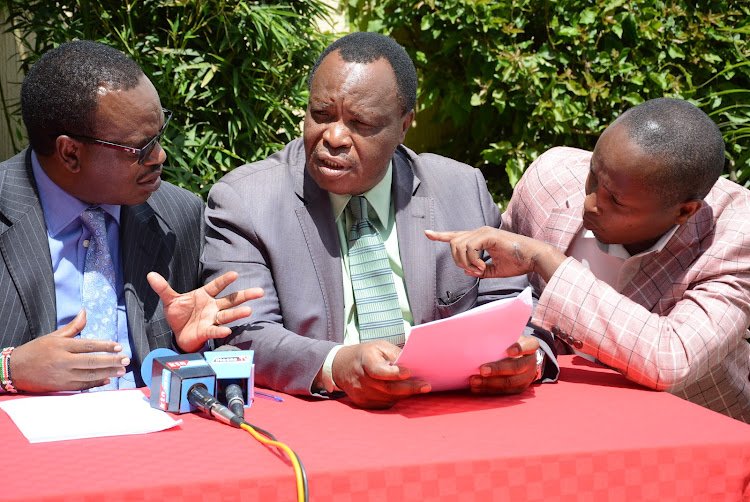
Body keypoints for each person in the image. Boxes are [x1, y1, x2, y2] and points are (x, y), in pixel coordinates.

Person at [202, 32, 557, 409]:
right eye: (320, 115)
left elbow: (512, 306)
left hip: (449, 413)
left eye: (361, 123)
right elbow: (243, 332)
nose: (334, 136)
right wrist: (335, 365)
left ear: (405, 126)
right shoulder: (245, 201)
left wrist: (525, 358)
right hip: (325, 416)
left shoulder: (459, 188)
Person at [427, 98, 750, 421]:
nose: (590, 203)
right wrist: (532, 358)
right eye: (593, 175)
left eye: (616, 201)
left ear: (684, 212)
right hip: (562, 422)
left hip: (695, 431)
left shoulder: (735, 234)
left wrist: (548, 261)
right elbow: (522, 308)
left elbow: (670, 358)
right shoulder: (550, 181)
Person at [0, 40, 263, 394]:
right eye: (140, 148)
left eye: (159, 135)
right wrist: (10, 368)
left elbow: (194, 360)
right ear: (70, 153)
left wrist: (191, 347)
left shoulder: (178, 215)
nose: (160, 156)